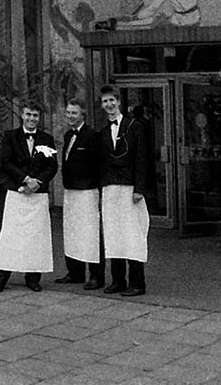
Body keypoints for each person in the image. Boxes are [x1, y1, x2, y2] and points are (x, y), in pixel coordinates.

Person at [0, 101, 58, 293]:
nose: (31, 119)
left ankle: (33, 279)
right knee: (10, 236)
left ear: (39, 117)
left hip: (38, 195)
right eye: (28, 114)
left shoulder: (46, 139)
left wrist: (37, 182)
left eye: (35, 115)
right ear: (22, 115)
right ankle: (0, 279)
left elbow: (52, 166)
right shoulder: (10, 136)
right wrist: (26, 179)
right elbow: (5, 162)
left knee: (36, 238)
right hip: (16, 193)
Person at [97, 85, 150, 297]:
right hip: (110, 188)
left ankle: (137, 283)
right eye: (105, 101)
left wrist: (139, 189)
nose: (109, 104)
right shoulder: (103, 132)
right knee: (113, 233)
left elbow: (142, 158)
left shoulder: (135, 126)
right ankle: (118, 280)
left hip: (129, 189)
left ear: (118, 101)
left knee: (132, 234)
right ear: (102, 105)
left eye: (112, 100)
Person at [54, 98, 106, 290]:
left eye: (74, 113)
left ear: (83, 114)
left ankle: (96, 276)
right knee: (72, 231)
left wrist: (96, 190)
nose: (70, 116)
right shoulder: (68, 135)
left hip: (87, 191)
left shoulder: (92, 136)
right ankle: (75, 272)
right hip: (70, 191)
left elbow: (98, 165)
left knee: (90, 233)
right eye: (68, 112)